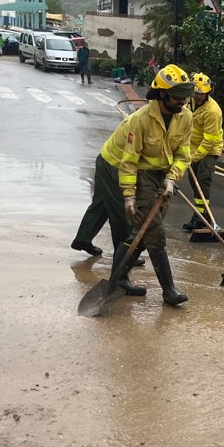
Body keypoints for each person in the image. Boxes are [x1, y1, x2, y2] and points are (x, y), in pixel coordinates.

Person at [71, 64, 193, 305]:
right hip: (115, 164)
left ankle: (120, 277)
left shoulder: (185, 117)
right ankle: (166, 290)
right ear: (161, 94)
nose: (182, 102)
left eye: (184, 96)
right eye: (177, 97)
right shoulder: (141, 120)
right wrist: (128, 197)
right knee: (132, 220)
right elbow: (128, 163)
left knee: (143, 226)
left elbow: (183, 153)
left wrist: (171, 179)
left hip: (150, 169)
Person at [182, 72, 224, 231]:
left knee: (203, 179)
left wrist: (194, 158)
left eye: (202, 93)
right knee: (193, 182)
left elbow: (209, 141)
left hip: (210, 149)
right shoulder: (188, 103)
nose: (198, 96)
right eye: (196, 93)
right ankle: (200, 214)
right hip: (192, 147)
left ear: (208, 92)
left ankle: (202, 216)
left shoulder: (212, 111)